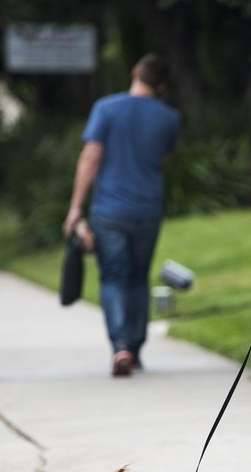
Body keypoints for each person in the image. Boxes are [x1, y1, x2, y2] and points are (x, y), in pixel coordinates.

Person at [63, 53, 181, 377]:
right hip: (147, 209)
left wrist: (75, 208)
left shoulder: (106, 108)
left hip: (110, 210)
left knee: (115, 276)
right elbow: (165, 155)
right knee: (139, 277)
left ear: (134, 72)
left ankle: (121, 346)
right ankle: (137, 347)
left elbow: (90, 158)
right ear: (161, 85)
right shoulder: (169, 117)